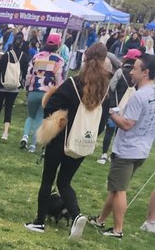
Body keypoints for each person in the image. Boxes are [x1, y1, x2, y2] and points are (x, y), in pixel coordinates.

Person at [24, 41, 111, 238]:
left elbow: (51, 106)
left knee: (48, 179)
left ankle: (39, 221)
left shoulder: (74, 83)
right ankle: (76, 213)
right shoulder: (105, 90)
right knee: (65, 181)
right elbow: (103, 120)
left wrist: (60, 120)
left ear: (85, 58)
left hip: (61, 139)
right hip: (82, 141)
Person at [87, 53, 155, 239]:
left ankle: (117, 230)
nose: (131, 72)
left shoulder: (139, 96)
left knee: (120, 190)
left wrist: (111, 113)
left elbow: (127, 124)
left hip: (127, 150)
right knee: (116, 187)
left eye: (135, 69)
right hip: (142, 150)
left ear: (146, 72)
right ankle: (101, 219)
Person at [21, 33, 64, 152]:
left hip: (33, 90)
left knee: (30, 116)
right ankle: (33, 145)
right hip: (47, 93)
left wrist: (27, 87)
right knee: (40, 118)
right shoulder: (59, 60)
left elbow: (29, 74)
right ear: (58, 44)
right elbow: (59, 78)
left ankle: (25, 136)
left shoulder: (36, 56)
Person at [98, 49, 140, 164]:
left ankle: (104, 155)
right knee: (120, 133)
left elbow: (111, 86)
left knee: (109, 131)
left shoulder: (120, 72)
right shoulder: (139, 76)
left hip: (115, 105)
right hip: (130, 107)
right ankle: (114, 155)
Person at [0, 32, 29, 141]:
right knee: (9, 108)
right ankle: (5, 133)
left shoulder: (6, 55)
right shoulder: (24, 57)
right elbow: (24, 73)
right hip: (15, 87)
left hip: (2, 85)